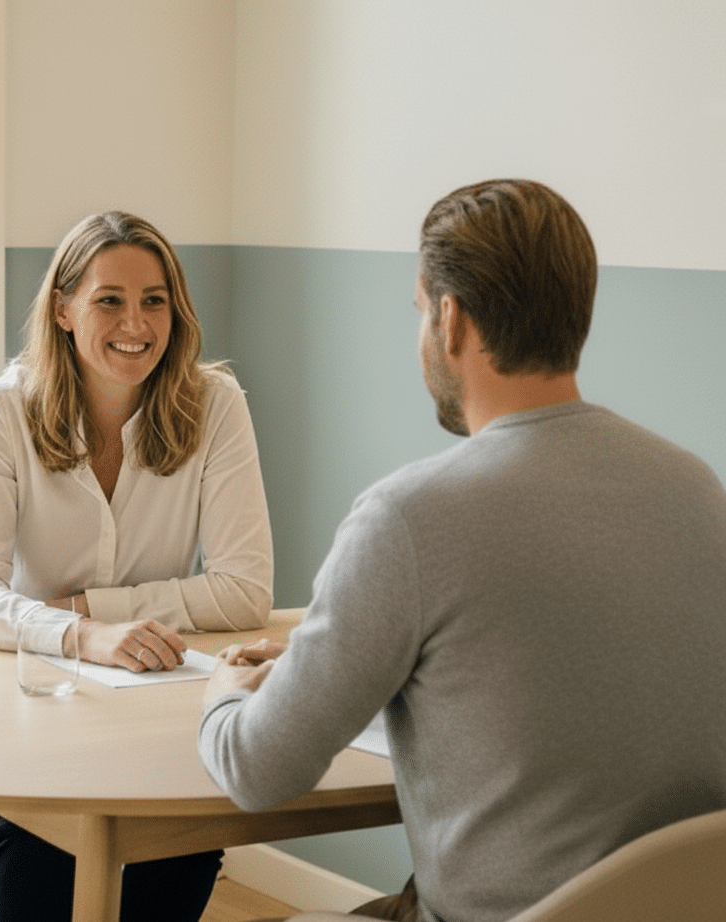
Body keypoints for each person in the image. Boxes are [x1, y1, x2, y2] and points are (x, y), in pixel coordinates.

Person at [198, 179, 726, 922]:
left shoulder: (408, 518)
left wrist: (222, 691)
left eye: (419, 310)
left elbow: (256, 769)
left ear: (452, 321)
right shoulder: (697, 489)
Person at [0, 210, 274, 922]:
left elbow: (245, 592)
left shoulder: (216, 405)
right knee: (41, 863)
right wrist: (77, 638)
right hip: (37, 711)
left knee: (185, 841)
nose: (137, 323)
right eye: (109, 300)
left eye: (155, 300)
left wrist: (90, 609)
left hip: (163, 711)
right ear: (62, 310)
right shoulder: (1, 412)